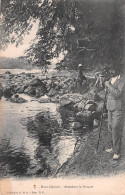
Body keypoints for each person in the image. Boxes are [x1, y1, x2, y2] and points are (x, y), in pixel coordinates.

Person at [105, 68, 125, 160]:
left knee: (116, 128)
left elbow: (118, 94)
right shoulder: (110, 80)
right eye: (109, 70)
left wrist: (108, 85)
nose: (110, 71)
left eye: (112, 70)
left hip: (118, 108)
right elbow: (108, 93)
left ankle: (117, 152)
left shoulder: (122, 80)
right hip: (110, 107)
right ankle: (113, 148)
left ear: (117, 70)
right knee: (110, 127)